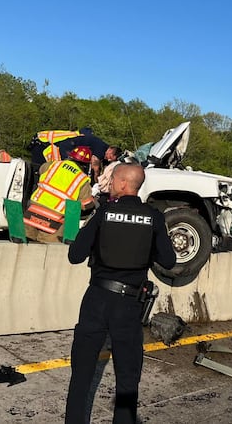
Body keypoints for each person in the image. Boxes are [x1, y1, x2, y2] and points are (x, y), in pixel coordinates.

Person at [66, 163, 175, 424]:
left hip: (96, 300)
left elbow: (75, 255)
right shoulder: (154, 218)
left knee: (82, 374)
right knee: (127, 377)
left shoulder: (104, 213)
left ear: (124, 183)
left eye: (113, 179)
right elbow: (169, 261)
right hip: (129, 305)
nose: (109, 183)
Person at [23, 146, 96, 243]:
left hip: (33, 210)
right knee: (48, 250)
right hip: (54, 219)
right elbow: (87, 204)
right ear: (86, 165)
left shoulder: (54, 165)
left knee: (27, 242)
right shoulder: (82, 179)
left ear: (70, 157)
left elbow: (41, 170)